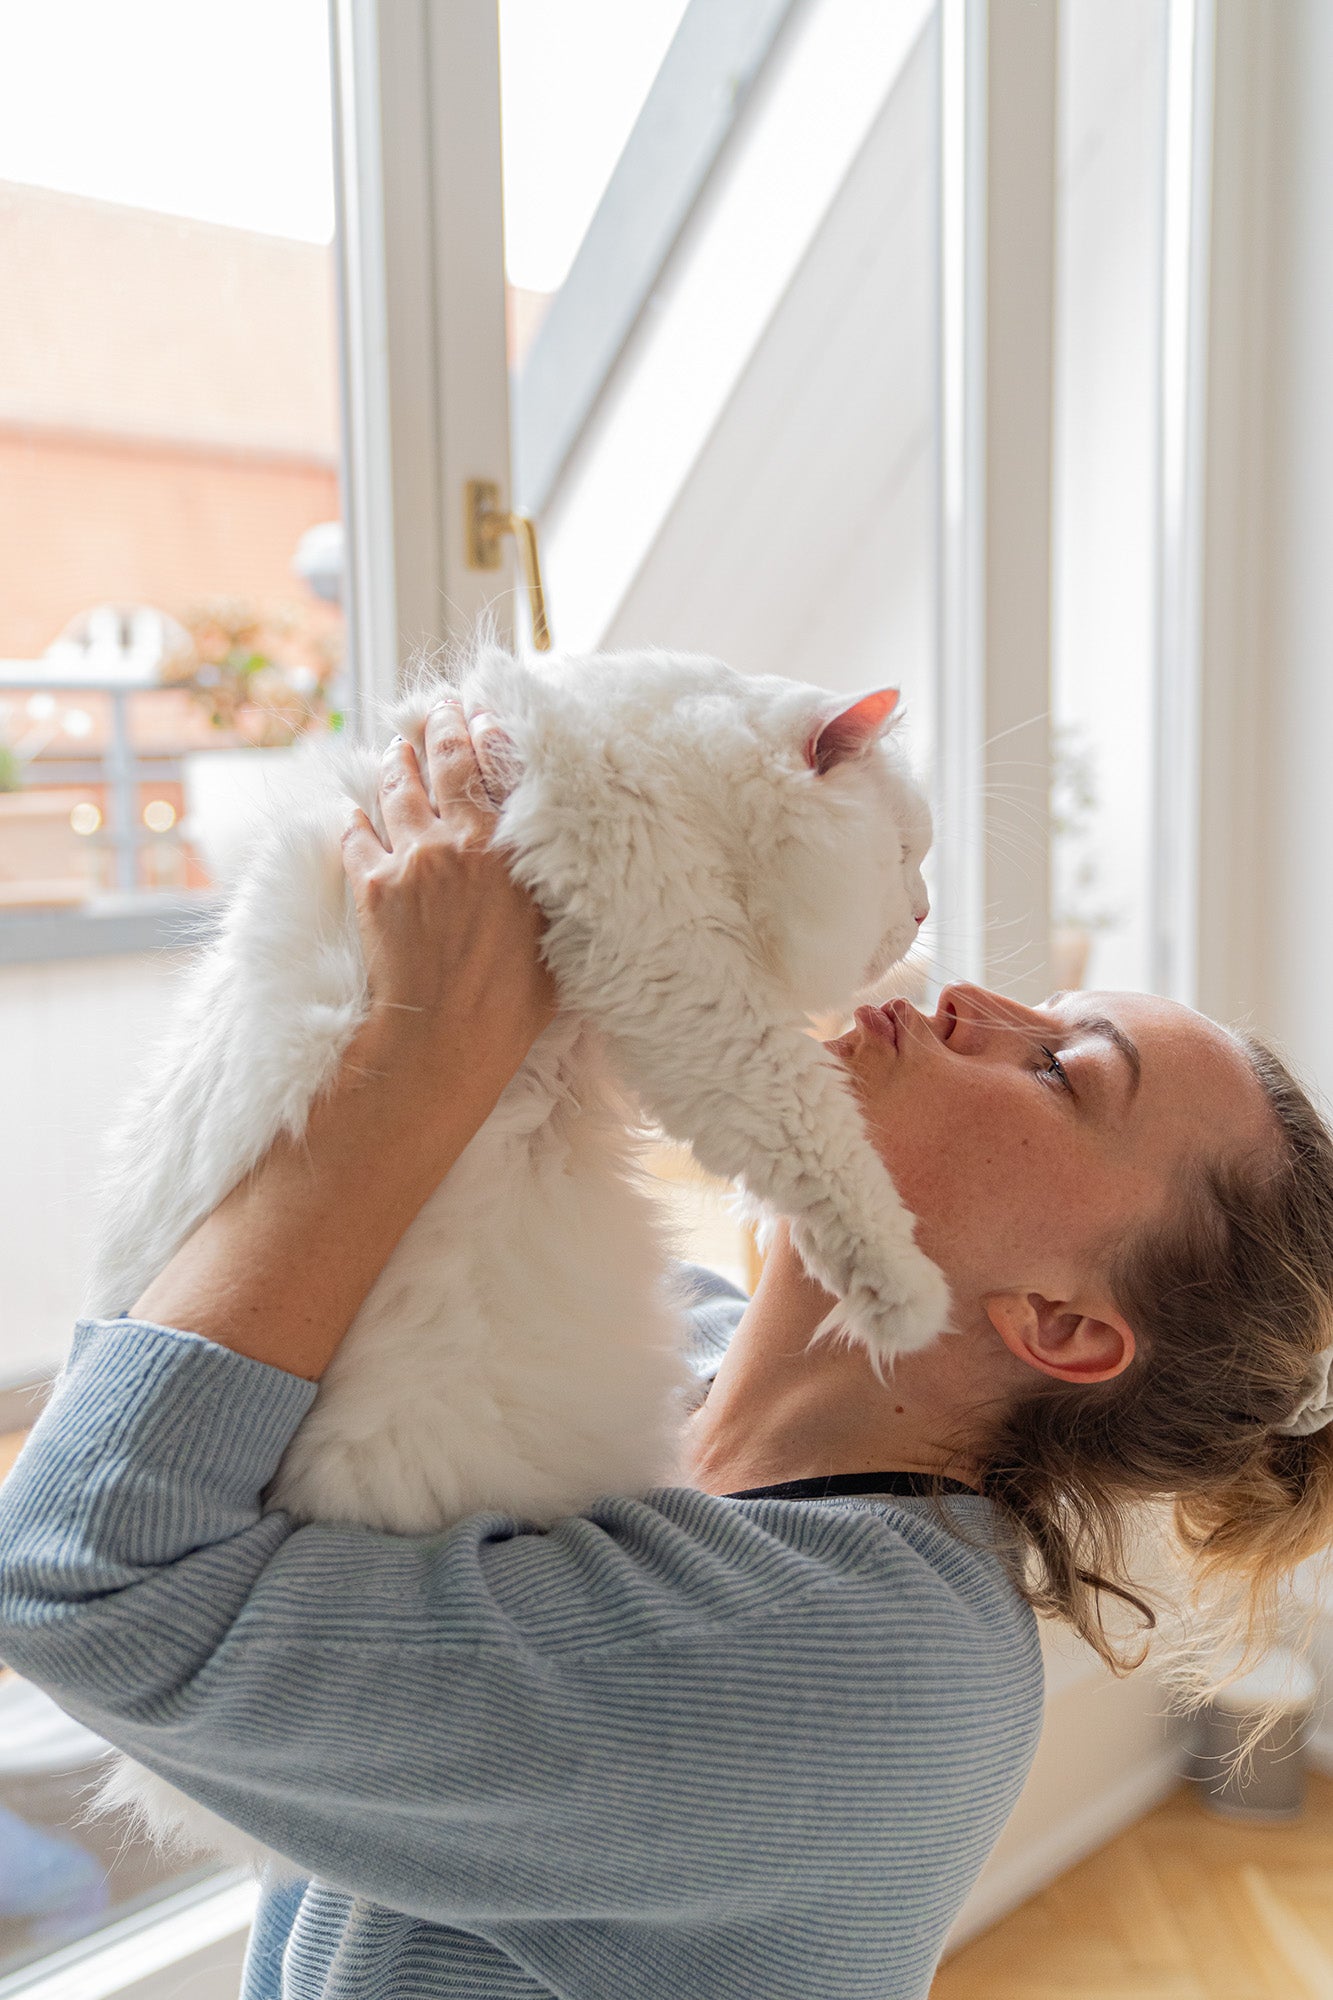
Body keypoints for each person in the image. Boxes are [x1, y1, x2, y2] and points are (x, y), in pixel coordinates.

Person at [2, 696, 1333, 2000]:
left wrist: (419, 1058)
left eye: (1060, 1071)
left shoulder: (846, 1679)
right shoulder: (658, 1343)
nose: (973, 1000)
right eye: (1044, 1006)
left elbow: (80, 1577)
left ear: (1060, 1324)